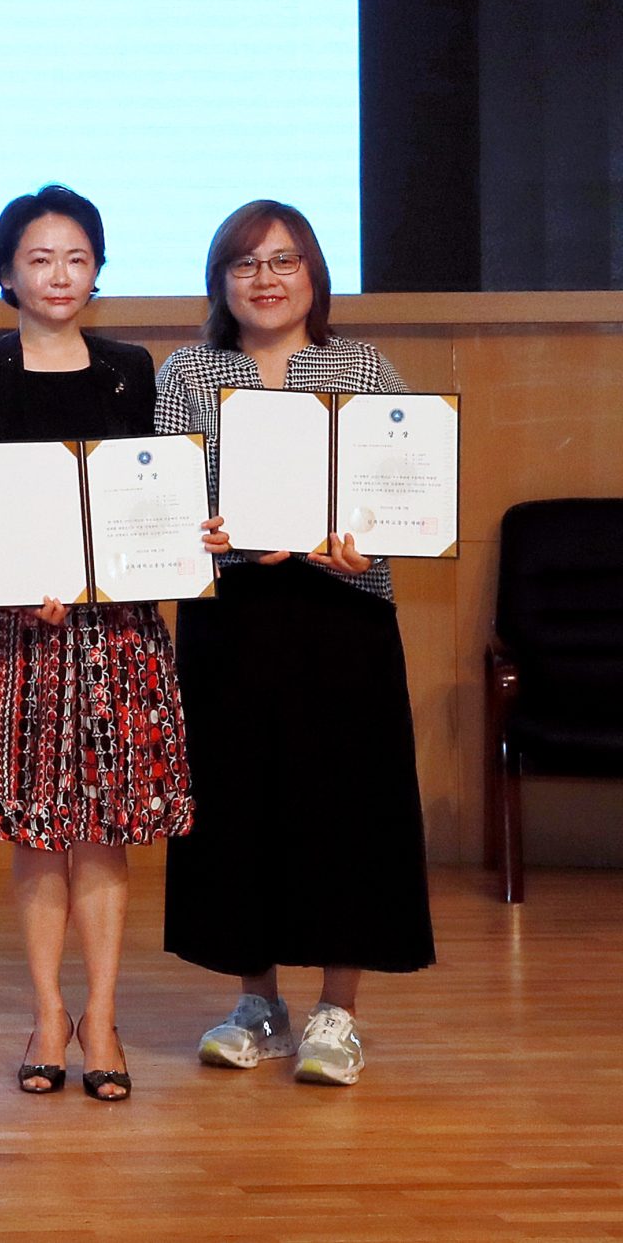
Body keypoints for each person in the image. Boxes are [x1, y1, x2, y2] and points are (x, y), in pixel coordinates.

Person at [156, 200, 434, 1086]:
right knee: (238, 805)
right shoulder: (188, 371)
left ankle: (337, 1012)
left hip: (340, 614)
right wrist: (203, 530)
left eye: (284, 260)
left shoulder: (362, 365)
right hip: (231, 619)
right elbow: (164, 500)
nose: (266, 278)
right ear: (220, 281)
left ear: (314, 273)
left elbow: (403, 491)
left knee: (347, 806)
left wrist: (366, 541)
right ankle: (258, 1004)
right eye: (245, 263)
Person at [0, 185, 190, 1103]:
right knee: (37, 833)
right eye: (39, 259)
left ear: (98, 268)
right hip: (21, 632)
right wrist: (11, 573)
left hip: (117, 631)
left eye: (77, 257)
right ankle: (48, 1012)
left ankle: (103, 1015)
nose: (59, 274)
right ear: (7, 272)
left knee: (107, 831)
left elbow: (155, 489)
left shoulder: (129, 367)